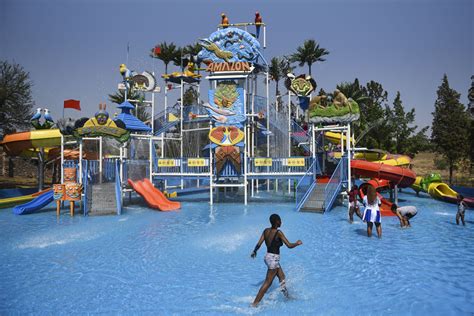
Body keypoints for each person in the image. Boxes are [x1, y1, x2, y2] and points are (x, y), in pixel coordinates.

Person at [250, 214, 302, 307]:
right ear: (277, 222)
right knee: (268, 282)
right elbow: (289, 245)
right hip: (273, 259)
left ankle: (287, 296)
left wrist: (254, 251)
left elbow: (259, 244)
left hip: (268, 257)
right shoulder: (279, 232)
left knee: (282, 276)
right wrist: (297, 243)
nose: (281, 222)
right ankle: (254, 303)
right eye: (280, 220)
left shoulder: (266, 231)